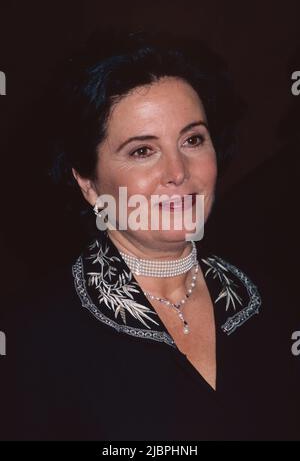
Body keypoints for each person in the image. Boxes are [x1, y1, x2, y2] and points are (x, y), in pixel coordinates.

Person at [1, 30, 298, 441]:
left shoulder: (273, 305)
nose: (178, 171)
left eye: (193, 139)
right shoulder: (30, 340)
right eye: (143, 150)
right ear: (88, 183)